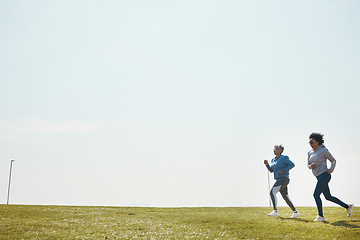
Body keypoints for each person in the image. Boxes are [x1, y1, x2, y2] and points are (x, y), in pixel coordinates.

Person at [308, 132, 354, 222]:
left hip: (325, 175)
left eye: (312, 142)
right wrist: (311, 166)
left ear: (318, 142)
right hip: (318, 176)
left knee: (316, 194)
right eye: (309, 142)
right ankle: (348, 206)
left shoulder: (323, 150)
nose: (310, 144)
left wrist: (331, 169)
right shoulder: (310, 153)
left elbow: (333, 160)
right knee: (328, 196)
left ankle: (321, 216)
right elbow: (308, 165)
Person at [264, 145, 300, 218]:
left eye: (276, 149)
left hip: (283, 179)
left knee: (272, 192)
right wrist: (267, 165)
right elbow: (271, 170)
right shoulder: (273, 160)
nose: (274, 150)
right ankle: (295, 212)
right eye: (274, 149)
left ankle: (275, 211)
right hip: (279, 179)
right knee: (285, 196)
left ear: (280, 151)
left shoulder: (284, 158)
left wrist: (284, 170)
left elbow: (292, 164)